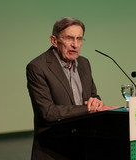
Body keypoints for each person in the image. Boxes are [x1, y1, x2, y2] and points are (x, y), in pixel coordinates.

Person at [26, 17, 117, 160]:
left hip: (84, 146)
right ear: (54, 40)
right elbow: (48, 112)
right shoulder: (38, 67)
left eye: (79, 39)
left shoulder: (84, 63)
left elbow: (92, 95)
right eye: (69, 38)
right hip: (53, 150)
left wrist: (96, 102)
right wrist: (88, 109)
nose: (75, 44)